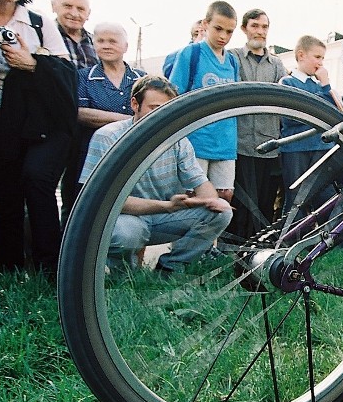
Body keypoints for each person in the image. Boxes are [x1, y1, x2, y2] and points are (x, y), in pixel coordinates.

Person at [79, 75, 232, 274]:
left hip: (161, 218)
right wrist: (166, 206)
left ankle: (170, 269)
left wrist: (208, 201)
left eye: (167, 109)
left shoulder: (178, 140)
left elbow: (202, 185)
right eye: (154, 108)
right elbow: (103, 200)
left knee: (221, 211)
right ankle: (123, 276)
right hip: (123, 218)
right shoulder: (108, 137)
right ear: (135, 104)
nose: (161, 115)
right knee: (130, 233)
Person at [0, 0, 75, 275]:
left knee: (37, 182)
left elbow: (66, 76)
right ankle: (7, 271)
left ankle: (51, 269)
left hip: (40, 122)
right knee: (5, 194)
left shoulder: (38, 22)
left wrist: (32, 62)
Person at [226, 8, 289, 241]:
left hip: (268, 144)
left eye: (264, 27)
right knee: (239, 203)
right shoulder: (233, 58)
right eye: (255, 26)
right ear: (244, 29)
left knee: (264, 203)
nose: (260, 32)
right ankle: (232, 248)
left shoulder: (277, 64)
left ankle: (259, 248)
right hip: (240, 143)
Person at [169, 1, 240, 203]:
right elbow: (173, 97)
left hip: (225, 142)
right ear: (205, 24)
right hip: (196, 142)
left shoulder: (232, 60)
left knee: (222, 201)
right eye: (218, 29)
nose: (223, 36)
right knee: (193, 199)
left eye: (229, 32)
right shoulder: (191, 54)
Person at [75, 22, 146, 200]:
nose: (106, 45)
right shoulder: (84, 76)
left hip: (132, 151)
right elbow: (81, 114)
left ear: (125, 46)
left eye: (113, 41)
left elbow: (150, 113)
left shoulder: (142, 78)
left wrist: (102, 116)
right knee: (89, 199)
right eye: (101, 41)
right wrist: (126, 119)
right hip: (93, 153)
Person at [278, 35, 342, 213]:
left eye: (323, 58)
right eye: (317, 57)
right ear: (301, 55)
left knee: (325, 195)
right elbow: (289, 116)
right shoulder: (288, 82)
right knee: (295, 198)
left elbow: (336, 113)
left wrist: (326, 85)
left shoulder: (320, 86)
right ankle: (289, 238)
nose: (321, 63)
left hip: (320, 147)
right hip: (296, 149)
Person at [52, 0, 98, 224]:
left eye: (81, 9)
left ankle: (70, 236)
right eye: (67, 6)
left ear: (88, 13)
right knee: (44, 182)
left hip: (85, 123)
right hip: (53, 121)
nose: (74, 13)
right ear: (54, 7)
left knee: (76, 183)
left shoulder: (94, 42)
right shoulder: (47, 36)